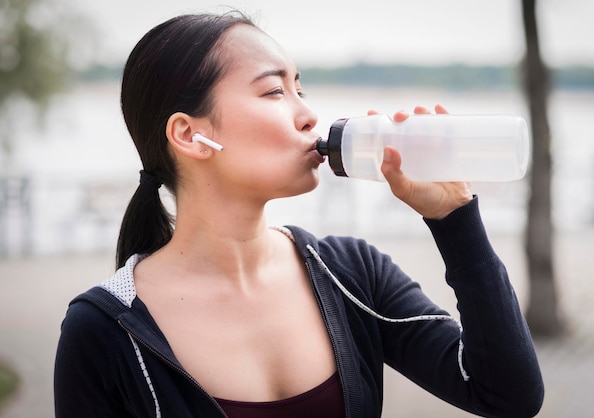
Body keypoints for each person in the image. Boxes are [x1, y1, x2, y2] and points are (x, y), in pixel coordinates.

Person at [54, 11, 544, 418]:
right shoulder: (105, 329)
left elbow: (507, 394)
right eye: (273, 92)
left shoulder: (351, 274)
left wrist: (454, 220)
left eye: (300, 89)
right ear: (188, 135)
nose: (308, 114)